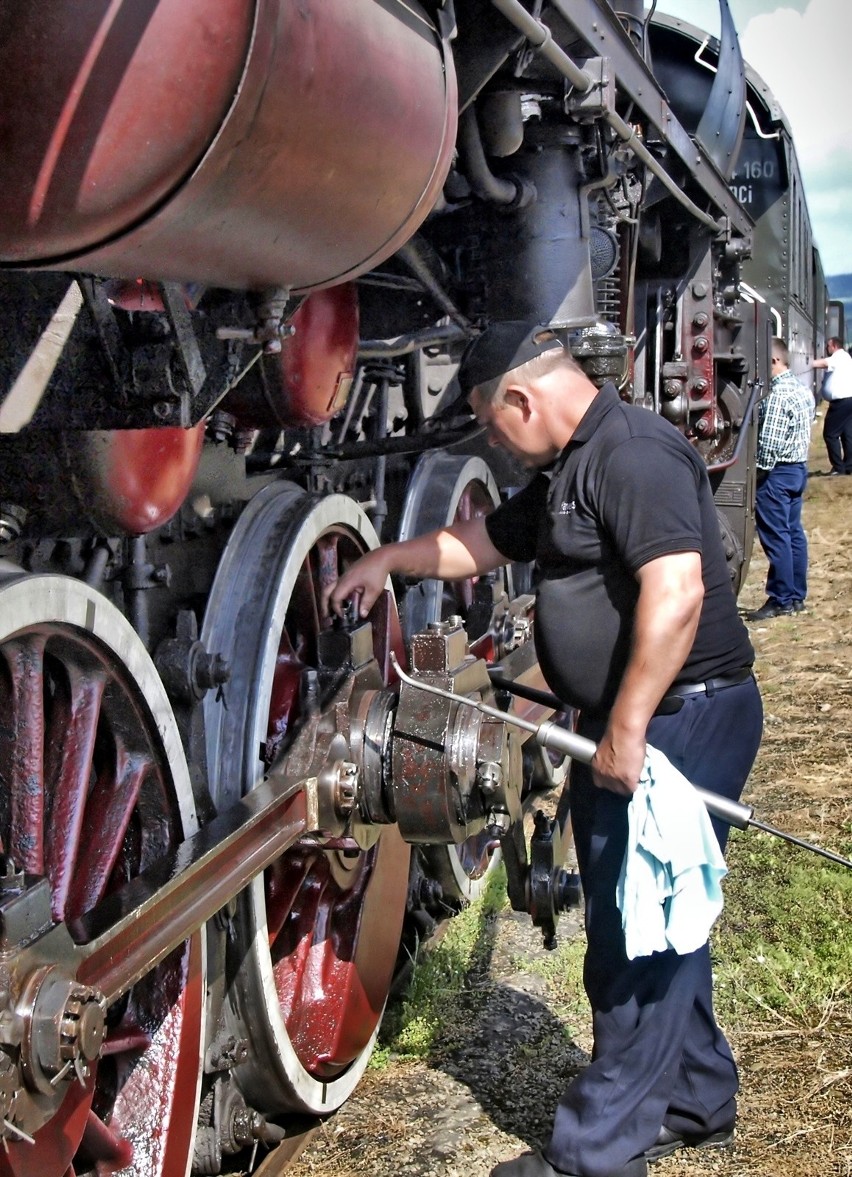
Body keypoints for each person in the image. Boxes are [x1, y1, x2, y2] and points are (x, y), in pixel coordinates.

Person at [328, 322, 764, 1177]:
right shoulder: (571, 465)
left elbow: (678, 594)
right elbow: (482, 543)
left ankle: (595, 1157)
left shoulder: (633, 455)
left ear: (524, 398)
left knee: (638, 933)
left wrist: (629, 728)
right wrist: (388, 559)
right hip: (638, 720)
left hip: (681, 720)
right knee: (649, 915)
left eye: (495, 424)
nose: (496, 441)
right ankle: (698, 1095)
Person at [746, 338, 814, 621]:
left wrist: (756, 474)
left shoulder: (776, 395)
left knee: (777, 538)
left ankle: (781, 598)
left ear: (774, 361)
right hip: (797, 469)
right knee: (793, 533)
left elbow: (769, 444)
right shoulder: (802, 390)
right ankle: (797, 595)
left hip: (777, 473)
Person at [812, 336, 852, 474]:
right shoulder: (845, 357)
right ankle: (848, 467)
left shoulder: (839, 357)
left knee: (830, 434)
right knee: (847, 434)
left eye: (828, 346)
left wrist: (805, 363)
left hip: (841, 402)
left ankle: (838, 468)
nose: (826, 349)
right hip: (848, 400)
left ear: (834, 346)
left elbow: (822, 363)